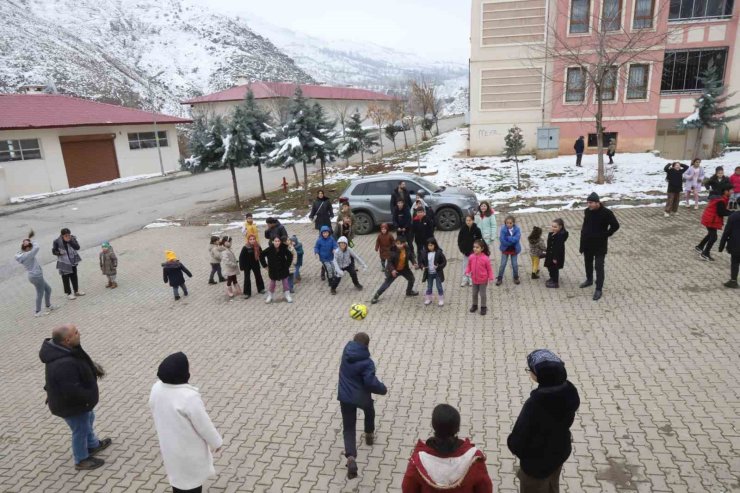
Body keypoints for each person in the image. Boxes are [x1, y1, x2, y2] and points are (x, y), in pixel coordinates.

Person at [39, 324, 111, 470]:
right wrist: (87, 399)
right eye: (76, 333)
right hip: (71, 406)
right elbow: (71, 390)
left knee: (88, 419)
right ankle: (81, 459)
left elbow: (79, 362)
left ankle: (93, 445)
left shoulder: (66, 350)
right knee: (80, 429)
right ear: (67, 340)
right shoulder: (63, 362)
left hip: (79, 403)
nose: (80, 334)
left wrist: (92, 368)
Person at [149, 352, 223, 493]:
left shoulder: (157, 388)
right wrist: (216, 442)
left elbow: (152, 405)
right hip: (188, 451)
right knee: (191, 484)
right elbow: (203, 424)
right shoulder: (188, 397)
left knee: (178, 481)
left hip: (170, 447)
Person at [508, 349, 580, 493]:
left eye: (530, 370)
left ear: (541, 376)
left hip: (536, 465)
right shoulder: (569, 391)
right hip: (560, 451)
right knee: (553, 484)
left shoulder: (535, 404)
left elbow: (517, 441)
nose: (530, 372)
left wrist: (520, 451)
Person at [401, 404, 493, 493]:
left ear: (433, 426)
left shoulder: (418, 462)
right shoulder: (474, 461)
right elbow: (485, 489)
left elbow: (408, 489)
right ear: (457, 429)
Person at [337, 332, 388, 479]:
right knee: (369, 410)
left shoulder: (346, 352)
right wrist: (382, 389)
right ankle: (369, 434)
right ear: (367, 345)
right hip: (361, 397)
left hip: (345, 396)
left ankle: (351, 457)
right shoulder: (367, 363)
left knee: (348, 428)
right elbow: (370, 383)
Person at [579, 192, 620, 301]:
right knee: (588, 263)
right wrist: (582, 244)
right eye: (588, 202)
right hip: (587, 243)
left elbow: (616, 225)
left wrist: (606, 234)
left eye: (591, 202)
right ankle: (589, 280)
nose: (589, 205)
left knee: (598, 266)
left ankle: (598, 289)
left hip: (599, 245)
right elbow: (585, 227)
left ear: (598, 202)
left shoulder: (606, 213)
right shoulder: (587, 211)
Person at [16, 229, 55, 317]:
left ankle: (48, 305)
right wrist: (30, 240)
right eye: (29, 246)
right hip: (36, 276)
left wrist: (26, 241)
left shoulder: (21, 255)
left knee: (48, 289)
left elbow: (20, 251)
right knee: (40, 292)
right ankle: (37, 312)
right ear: (27, 248)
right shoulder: (28, 255)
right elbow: (37, 247)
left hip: (34, 276)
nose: (31, 247)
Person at [370, 236, 419, 304]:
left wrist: (414, 263)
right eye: (397, 243)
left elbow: (410, 256)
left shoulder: (407, 248)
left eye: (400, 244)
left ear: (404, 243)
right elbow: (389, 262)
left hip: (404, 269)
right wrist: (392, 270)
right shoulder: (392, 250)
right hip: (393, 270)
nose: (398, 245)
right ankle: (376, 296)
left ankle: (409, 292)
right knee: (386, 284)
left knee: (411, 279)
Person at [696, 183, 733, 261]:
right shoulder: (721, 200)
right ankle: (705, 254)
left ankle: (700, 247)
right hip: (710, 219)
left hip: (709, 218)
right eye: (731, 190)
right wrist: (733, 213)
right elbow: (721, 212)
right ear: (726, 191)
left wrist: (731, 212)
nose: (732, 192)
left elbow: (722, 211)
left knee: (710, 234)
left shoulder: (722, 198)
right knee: (714, 237)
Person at [52, 228, 85, 300]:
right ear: (62, 235)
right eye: (66, 235)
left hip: (72, 260)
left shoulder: (72, 238)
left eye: (68, 235)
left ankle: (76, 291)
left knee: (74, 276)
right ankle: (69, 293)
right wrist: (59, 253)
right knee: (65, 278)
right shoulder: (57, 241)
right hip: (64, 262)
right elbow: (54, 251)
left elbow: (77, 247)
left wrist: (70, 241)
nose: (68, 236)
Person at [260, 236, 293, 303]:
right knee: (272, 283)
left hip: (283, 269)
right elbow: (261, 255)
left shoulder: (283, 248)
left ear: (280, 242)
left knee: (285, 283)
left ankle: (287, 295)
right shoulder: (269, 249)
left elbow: (290, 255)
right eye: (275, 241)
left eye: (278, 241)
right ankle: (270, 296)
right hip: (273, 269)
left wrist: (287, 265)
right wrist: (265, 266)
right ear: (273, 242)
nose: (277, 243)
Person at [465, 239, 494, 316]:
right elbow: (469, 266)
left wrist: (491, 278)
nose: (475, 249)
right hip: (474, 279)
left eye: (477, 247)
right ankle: (474, 305)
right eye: (474, 247)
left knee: (482, 294)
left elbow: (489, 269)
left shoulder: (485, 259)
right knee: (474, 294)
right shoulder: (471, 257)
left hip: (483, 280)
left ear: (482, 249)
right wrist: (467, 271)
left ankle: (483, 307)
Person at [419, 237, 446, 307]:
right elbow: (420, 262)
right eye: (428, 245)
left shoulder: (439, 252)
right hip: (429, 273)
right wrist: (422, 267)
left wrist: (439, 266)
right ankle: (429, 298)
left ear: (435, 245)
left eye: (431, 245)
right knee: (429, 287)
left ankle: (441, 300)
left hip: (437, 273)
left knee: (439, 286)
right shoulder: (424, 253)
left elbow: (444, 262)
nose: (430, 247)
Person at [458, 214, 482, 287]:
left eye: (470, 220)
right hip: (465, 251)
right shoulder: (462, 229)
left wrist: (477, 250)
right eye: (467, 220)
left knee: (473, 265)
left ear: (473, 220)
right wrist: (462, 249)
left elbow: (479, 240)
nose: (468, 222)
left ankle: (471, 279)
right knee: (465, 265)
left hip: (474, 252)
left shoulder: (477, 230)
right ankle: (465, 279)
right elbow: (459, 240)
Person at [496, 215, 522, 286]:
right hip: (505, 249)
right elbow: (502, 240)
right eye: (507, 223)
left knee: (515, 264)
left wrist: (508, 238)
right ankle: (500, 278)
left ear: (513, 223)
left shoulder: (517, 229)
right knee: (502, 264)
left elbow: (516, 239)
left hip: (514, 249)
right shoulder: (503, 229)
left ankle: (516, 277)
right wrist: (511, 240)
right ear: (505, 223)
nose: (509, 224)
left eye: (510, 223)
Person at [238, 234, 265, 299]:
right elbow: (241, 257)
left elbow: (261, 256)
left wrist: (264, 264)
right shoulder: (245, 247)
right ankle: (247, 293)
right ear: (248, 240)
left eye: (253, 239)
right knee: (247, 278)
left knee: (258, 275)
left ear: (255, 239)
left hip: (255, 263)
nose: (252, 240)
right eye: (250, 239)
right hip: (247, 264)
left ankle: (261, 289)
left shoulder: (258, 246)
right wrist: (241, 267)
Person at [545, 219, 569, 289]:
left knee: (554, 268)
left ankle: (555, 283)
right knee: (549, 266)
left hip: (555, 255)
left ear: (560, 227)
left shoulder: (560, 236)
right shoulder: (552, 233)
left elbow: (558, 248)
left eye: (555, 227)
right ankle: (552, 277)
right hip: (550, 254)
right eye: (552, 226)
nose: (553, 228)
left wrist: (555, 258)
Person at [719, 210, 740, 288]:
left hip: (736, 245)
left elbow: (726, 232)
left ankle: (733, 281)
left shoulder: (733, 216)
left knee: (735, 263)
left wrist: (721, 246)